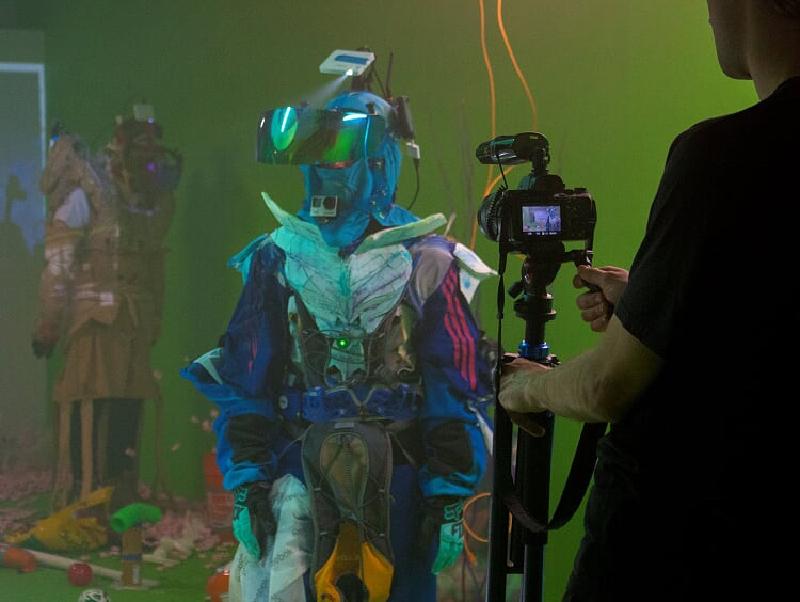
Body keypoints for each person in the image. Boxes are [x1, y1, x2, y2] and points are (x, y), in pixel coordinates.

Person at [499, 1, 800, 600]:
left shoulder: (718, 156)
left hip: (667, 550)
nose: (707, 12)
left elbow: (604, 388)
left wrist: (522, 385)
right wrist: (651, 300)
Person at [182, 86, 494, 601]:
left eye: (341, 155)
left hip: (401, 473)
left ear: (379, 160)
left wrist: (446, 496)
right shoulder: (278, 256)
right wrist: (249, 484)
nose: (325, 171)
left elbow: (452, 382)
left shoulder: (429, 261)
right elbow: (248, 378)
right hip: (298, 470)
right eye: (317, 155)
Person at [32, 110, 180, 508]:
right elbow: (59, 262)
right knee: (92, 401)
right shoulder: (86, 196)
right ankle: (86, 495)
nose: (148, 159)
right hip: (94, 324)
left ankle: (119, 493)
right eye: (140, 148)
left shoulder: (147, 205)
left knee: (127, 406)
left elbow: (152, 264)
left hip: (131, 326)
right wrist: (48, 323)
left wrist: (153, 318)